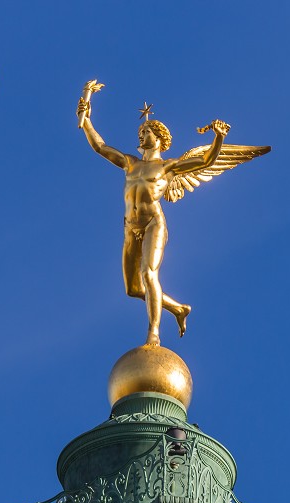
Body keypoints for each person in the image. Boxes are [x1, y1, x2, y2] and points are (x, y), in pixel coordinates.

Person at [78, 82, 230, 345]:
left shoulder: (168, 166)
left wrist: (218, 138)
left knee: (149, 275)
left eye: (147, 130)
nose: (142, 134)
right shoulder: (130, 163)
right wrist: (87, 117)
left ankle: (154, 335)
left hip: (152, 224)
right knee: (133, 289)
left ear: (159, 138)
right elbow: (100, 147)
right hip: (130, 226)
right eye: (141, 130)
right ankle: (179, 309)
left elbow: (205, 161)